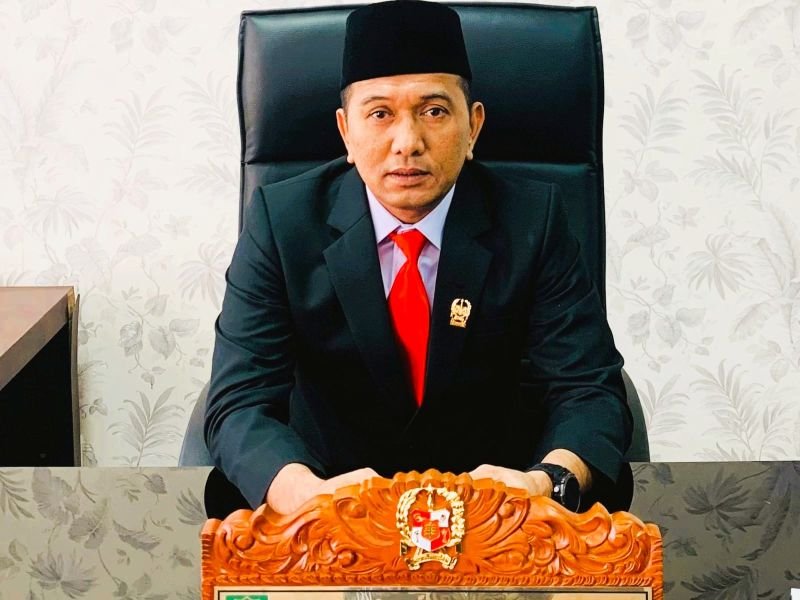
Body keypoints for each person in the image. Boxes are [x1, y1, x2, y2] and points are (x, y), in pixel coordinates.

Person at [204, 0, 632, 519]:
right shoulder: (282, 221)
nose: (407, 143)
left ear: (473, 127)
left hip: (497, 516)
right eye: (379, 114)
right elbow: (240, 400)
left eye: (434, 111)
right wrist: (305, 494)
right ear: (345, 132)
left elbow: (587, 388)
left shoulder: (533, 220)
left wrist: (546, 481)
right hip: (329, 512)